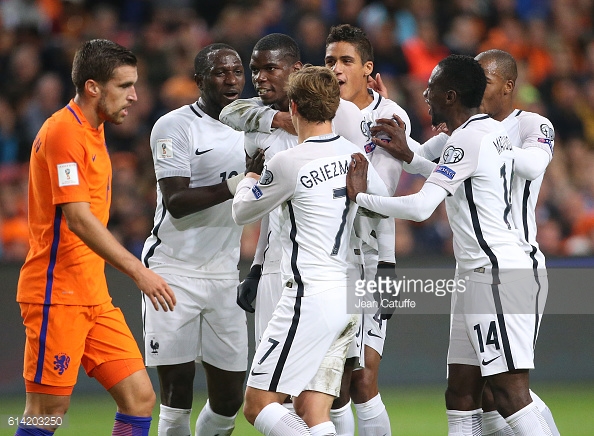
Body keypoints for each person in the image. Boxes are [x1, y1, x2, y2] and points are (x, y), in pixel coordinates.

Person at [346, 54, 553, 435]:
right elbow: (435, 166)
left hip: (499, 275)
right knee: (461, 393)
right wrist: (407, 150)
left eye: (433, 87)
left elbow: (423, 206)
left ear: (451, 96)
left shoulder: (473, 138)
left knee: (508, 393)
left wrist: (360, 198)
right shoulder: (475, 135)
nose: (425, 93)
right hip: (474, 275)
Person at [15, 39, 176, 436]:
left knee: (139, 397)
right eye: (124, 86)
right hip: (56, 293)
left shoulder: (94, 130)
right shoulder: (63, 133)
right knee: (47, 411)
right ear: (92, 88)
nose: (135, 96)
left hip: (94, 297)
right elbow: (79, 221)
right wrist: (138, 271)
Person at [232, 65, 388, 436]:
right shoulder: (355, 157)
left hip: (308, 298)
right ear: (334, 106)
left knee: (257, 405)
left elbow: (242, 212)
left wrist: (250, 178)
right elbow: (382, 208)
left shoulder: (287, 163)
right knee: (311, 408)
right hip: (348, 296)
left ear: (294, 108)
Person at [141, 43, 263, 436]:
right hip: (172, 272)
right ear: (198, 81)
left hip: (224, 273)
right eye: (219, 73)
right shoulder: (174, 125)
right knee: (177, 394)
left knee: (230, 401)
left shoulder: (253, 123)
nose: (231, 80)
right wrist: (237, 183)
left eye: (237, 72)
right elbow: (176, 201)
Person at [219, 33, 367, 352]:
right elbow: (270, 212)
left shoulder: (342, 116)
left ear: (295, 69)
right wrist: (257, 269)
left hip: (338, 266)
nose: (259, 77)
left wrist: (381, 265)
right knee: (288, 387)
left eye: (270, 68)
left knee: (342, 383)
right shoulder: (259, 126)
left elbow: (369, 192)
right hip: (279, 267)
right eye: (255, 70)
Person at [324, 23, 411, 436]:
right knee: (334, 385)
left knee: (361, 379)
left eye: (346, 61)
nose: (336, 69)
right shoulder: (320, 111)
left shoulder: (391, 117)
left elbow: (383, 199)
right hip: (328, 258)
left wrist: (389, 268)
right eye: (329, 61)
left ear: (367, 67)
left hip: (370, 261)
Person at [475, 49, 559, 436]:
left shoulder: (533, 124)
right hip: (483, 268)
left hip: (518, 265)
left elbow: (533, 165)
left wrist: (491, 138)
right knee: (491, 390)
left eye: (485, 82)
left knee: (508, 387)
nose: (476, 90)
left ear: (508, 86)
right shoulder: (470, 129)